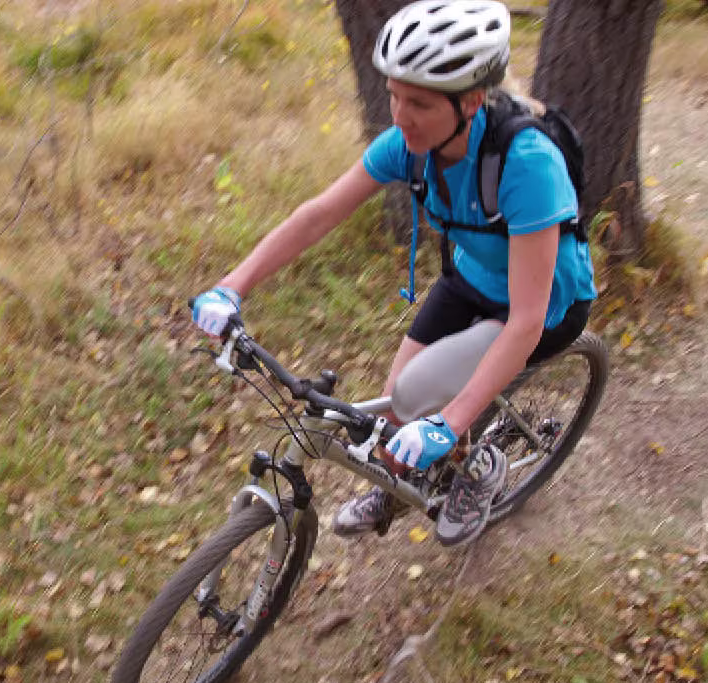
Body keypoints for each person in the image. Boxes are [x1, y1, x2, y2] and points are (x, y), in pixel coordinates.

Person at [191, 0, 597, 546]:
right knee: (397, 415)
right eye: (394, 95)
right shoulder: (410, 147)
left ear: (472, 101)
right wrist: (232, 285)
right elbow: (318, 215)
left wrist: (450, 423)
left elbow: (525, 320)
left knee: (419, 395)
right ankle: (401, 481)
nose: (399, 116)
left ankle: (481, 470)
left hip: (545, 306)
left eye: (419, 103)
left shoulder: (527, 163)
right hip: (472, 278)